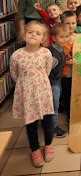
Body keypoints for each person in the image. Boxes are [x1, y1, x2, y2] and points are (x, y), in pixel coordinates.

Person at [10, 21, 54, 167]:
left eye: (38, 33)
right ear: (23, 35)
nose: (33, 34)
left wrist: (37, 82)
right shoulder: (16, 55)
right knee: (31, 124)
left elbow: (47, 71)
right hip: (27, 95)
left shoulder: (46, 53)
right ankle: (34, 150)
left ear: (43, 38)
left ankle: (48, 145)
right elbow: (14, 75)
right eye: (30, 32)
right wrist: (28, 85)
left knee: (48, 122)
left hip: (43, 93)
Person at [48, 23, 69, 137]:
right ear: (54, 38)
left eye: (67, 36)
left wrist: (66, 62)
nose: (65, 39)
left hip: (57, 80)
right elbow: (47, 69)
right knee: (54, 105)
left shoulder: (57, 47)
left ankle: (49, 124)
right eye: (62, 37)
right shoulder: (54, 54)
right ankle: (53, 128)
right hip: (52, 83)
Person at [61, 11, 78, 123]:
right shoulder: (61, 39)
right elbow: (59, 55)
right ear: (62, 24)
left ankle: (77, 112)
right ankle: (69, 114)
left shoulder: (79, 36)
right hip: (67, 71)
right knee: (67, 93)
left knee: (77, 91)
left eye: (73, 23)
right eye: (67, 23)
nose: (71, 26)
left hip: (78, 71)